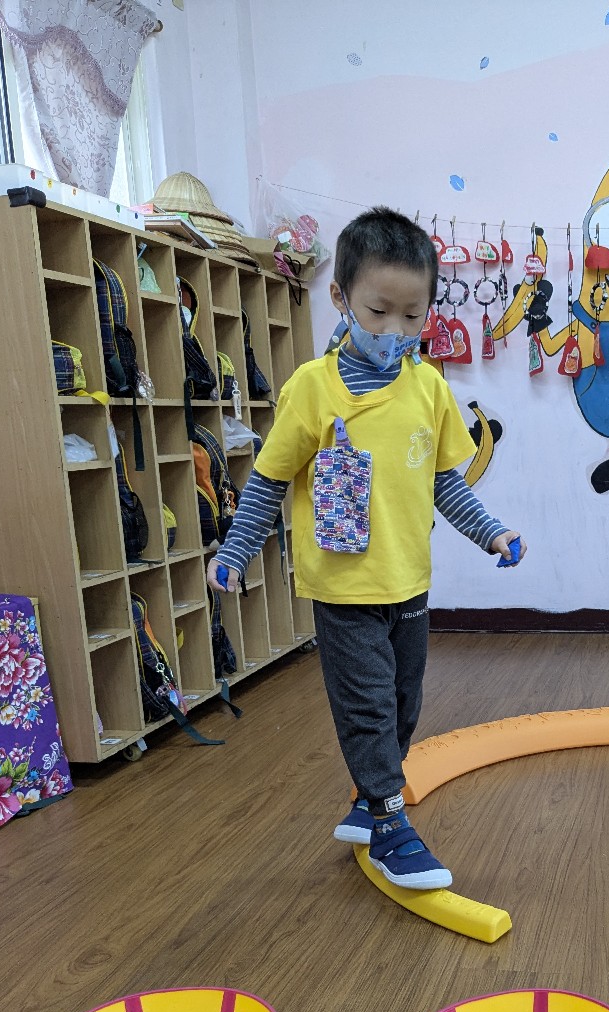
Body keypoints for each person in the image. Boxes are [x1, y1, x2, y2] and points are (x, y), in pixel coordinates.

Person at [207, 206, 525, 891]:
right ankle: (388, 821)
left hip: (408, 581)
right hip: (342, 587)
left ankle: (368, 797)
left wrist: (491, 531)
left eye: (413, 316)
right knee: (368, 706)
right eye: (379, 312)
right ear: (341, 297)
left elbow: (446, 483)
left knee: (405, 701)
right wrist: (235, 551)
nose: (395, 332)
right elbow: (268, 480)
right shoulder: (311, 390)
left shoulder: (429, 387)